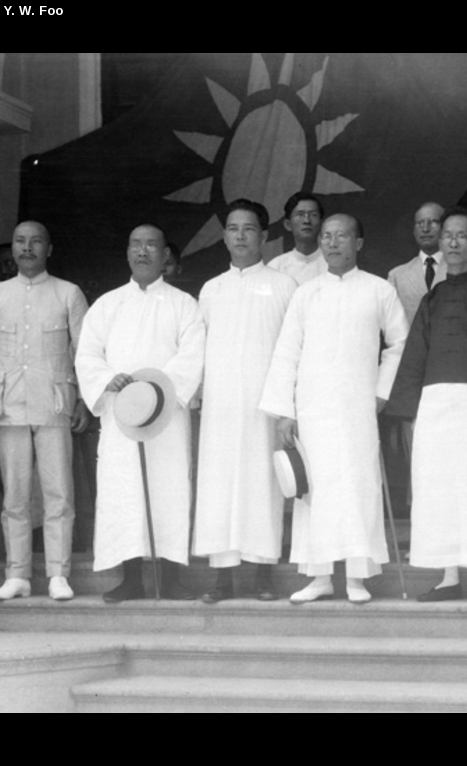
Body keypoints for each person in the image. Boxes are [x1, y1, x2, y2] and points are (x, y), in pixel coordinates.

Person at [260, 214, 408, 604]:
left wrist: (381, 391)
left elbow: (399, 344)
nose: (332, 242)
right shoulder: (307, 294)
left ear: (358, 243)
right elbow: (287, 351)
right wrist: (285, 411)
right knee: (316, 490)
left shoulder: (378, 290)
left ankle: (357, 577)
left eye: (342, 236)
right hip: (313, 408)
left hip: (359, 406)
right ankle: (319, 576)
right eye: (327, 236)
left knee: (358, 486)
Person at [388, 207, 467, 603]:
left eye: (462, 236)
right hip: (435, 403)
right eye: (448, 236)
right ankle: (448, 576)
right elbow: (415, 356)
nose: (454, 242)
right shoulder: (432, 299)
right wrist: (408, 410)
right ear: (440, 244)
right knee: (438, 486)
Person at [76, 224, 205, 602]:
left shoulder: (184, 304)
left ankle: (171, 578)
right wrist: (107, 379)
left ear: (165, 255)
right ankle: (130, 578)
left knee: (169, 490)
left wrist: (158, 391)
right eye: (136, 244)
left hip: (167, 417)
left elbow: (192, 355)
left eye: (151, 245)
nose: (143, 251)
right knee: (124, 492)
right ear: (128, 253)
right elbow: (87, 355)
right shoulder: (108, 304)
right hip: (121, 417)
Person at [0, 221, 90, 601]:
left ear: (49, 249)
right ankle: (17, 574)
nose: (27, 248)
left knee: (58, 493)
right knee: (15, 495)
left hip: (54, 403)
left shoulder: (68, 293)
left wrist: (84, 400)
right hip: (8, 405)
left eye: (36, 241)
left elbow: (84, 352)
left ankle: (58, 574)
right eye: (20, 241)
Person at [194, 200, 297, 602]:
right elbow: (198, 348)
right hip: (220, 406)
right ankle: (222, 578)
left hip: (264, 404)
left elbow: (293, 348)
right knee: (219, 486)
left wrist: (286, 404)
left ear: (264, 236)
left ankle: (263, 575)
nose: (240, 236)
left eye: (249, 229)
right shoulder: (212, 289)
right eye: (233, 229)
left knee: (262, 485)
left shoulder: (284, 285)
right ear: (224, 236)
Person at [266, 192, 327, 284]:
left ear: (322, 224)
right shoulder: (275, 267)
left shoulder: (334, 264)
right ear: (288, 225)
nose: (307, 220)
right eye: (300, 214)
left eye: (313, 215)